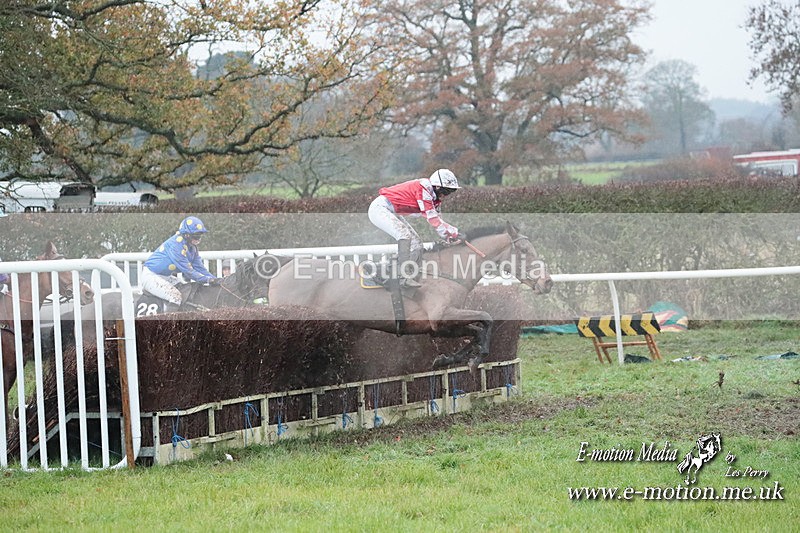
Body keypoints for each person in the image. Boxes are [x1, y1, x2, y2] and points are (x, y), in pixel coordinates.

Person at [368, 169, 463, 287]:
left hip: (391, 211)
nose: (446, 195)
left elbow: (439, 221)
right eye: (446, 191)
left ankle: (397, 271)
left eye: (450, 192)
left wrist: (450, 236)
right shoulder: (424, 188)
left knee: (417, 244)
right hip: (380, 209)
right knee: (404, 235)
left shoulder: (435, 199)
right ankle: (402, 276)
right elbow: (432, 219)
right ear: (437, 186)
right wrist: (455, 232)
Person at [141, 216, 219, 311]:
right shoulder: (176, 245)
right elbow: (188, 271)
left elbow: (200, 268)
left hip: (165, 277)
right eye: (196, 235)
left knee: (186, 291)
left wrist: (216, 279)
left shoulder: (192, 248)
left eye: (200, 235)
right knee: (175, 297)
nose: (198, 239)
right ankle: (168, 320)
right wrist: (207, 280)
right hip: (151, 276)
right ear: (186, 234)